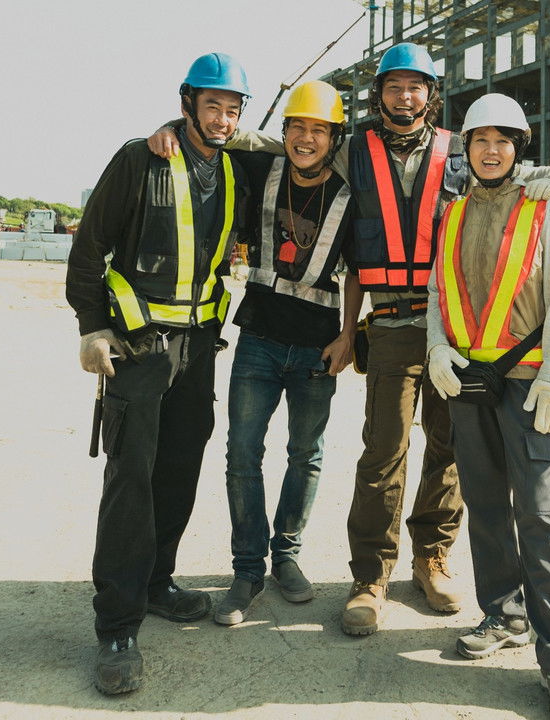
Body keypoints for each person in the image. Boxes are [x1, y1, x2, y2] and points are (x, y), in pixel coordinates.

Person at [148, 42, 469, 633]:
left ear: (431, 93)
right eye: (394, 87)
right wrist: (176, 124)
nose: (405, 97)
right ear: (379, 95)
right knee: (346, 453)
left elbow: (508, 176)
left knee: (436, 450)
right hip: (324, 331)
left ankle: (424, 558)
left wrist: (348, 332)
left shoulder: (454, 155)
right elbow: (246, 139)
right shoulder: (346, 154)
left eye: (415, 87)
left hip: (442, 327)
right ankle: (322, 572)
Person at [65, 52, 250, 696]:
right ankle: (117, 625)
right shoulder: (139, 159)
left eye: (234, 109)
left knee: (179, 466)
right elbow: (89, 246)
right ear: (186, 102)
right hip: (139, 351)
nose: (223, 119)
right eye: (213, 106)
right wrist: (92, 326)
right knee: (130, 477)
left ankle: (157, 581)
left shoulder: (230, 169)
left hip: (198, 350)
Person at [426, 93, 550, 720]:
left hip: (525, 380)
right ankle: (504, 614)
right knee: (487, 503)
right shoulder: (455, 214)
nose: (490, 151)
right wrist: (437, 347)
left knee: (540, 514)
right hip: (468, 379)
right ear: (465, 150)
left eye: (503, 141)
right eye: (479, 141)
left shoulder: (540, 209)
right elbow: (440, 289)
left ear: (518, 148)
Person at [212, 80, 363, 625]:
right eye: (297, 127)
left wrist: (348, 335)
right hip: (259, 338)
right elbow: (212, 139)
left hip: (318, 347)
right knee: (242, 454)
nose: (305, 138)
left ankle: (286, 556)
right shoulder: (260, 169)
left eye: (317, 130)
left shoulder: (350, 194)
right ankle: (248, 567)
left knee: (307, 454)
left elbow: (359, 275)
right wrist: (164, 130)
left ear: (333, 137)